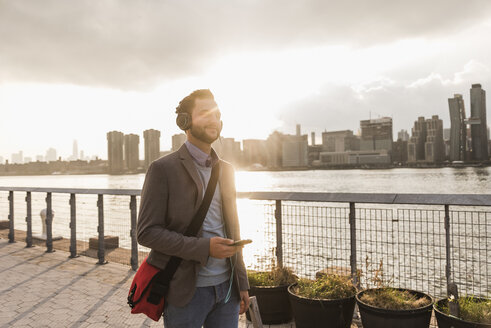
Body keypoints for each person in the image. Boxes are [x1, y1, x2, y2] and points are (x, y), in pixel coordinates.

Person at [137, 89, 250, 327]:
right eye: (205, 113)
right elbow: (147, 232)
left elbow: (234, 228)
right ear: (184, 121)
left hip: (228, 290)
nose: (214, 120)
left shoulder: (227, 170)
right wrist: (204, 247)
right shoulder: (162, 169)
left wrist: (242, 283)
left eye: (217, 114)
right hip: (185, 292)